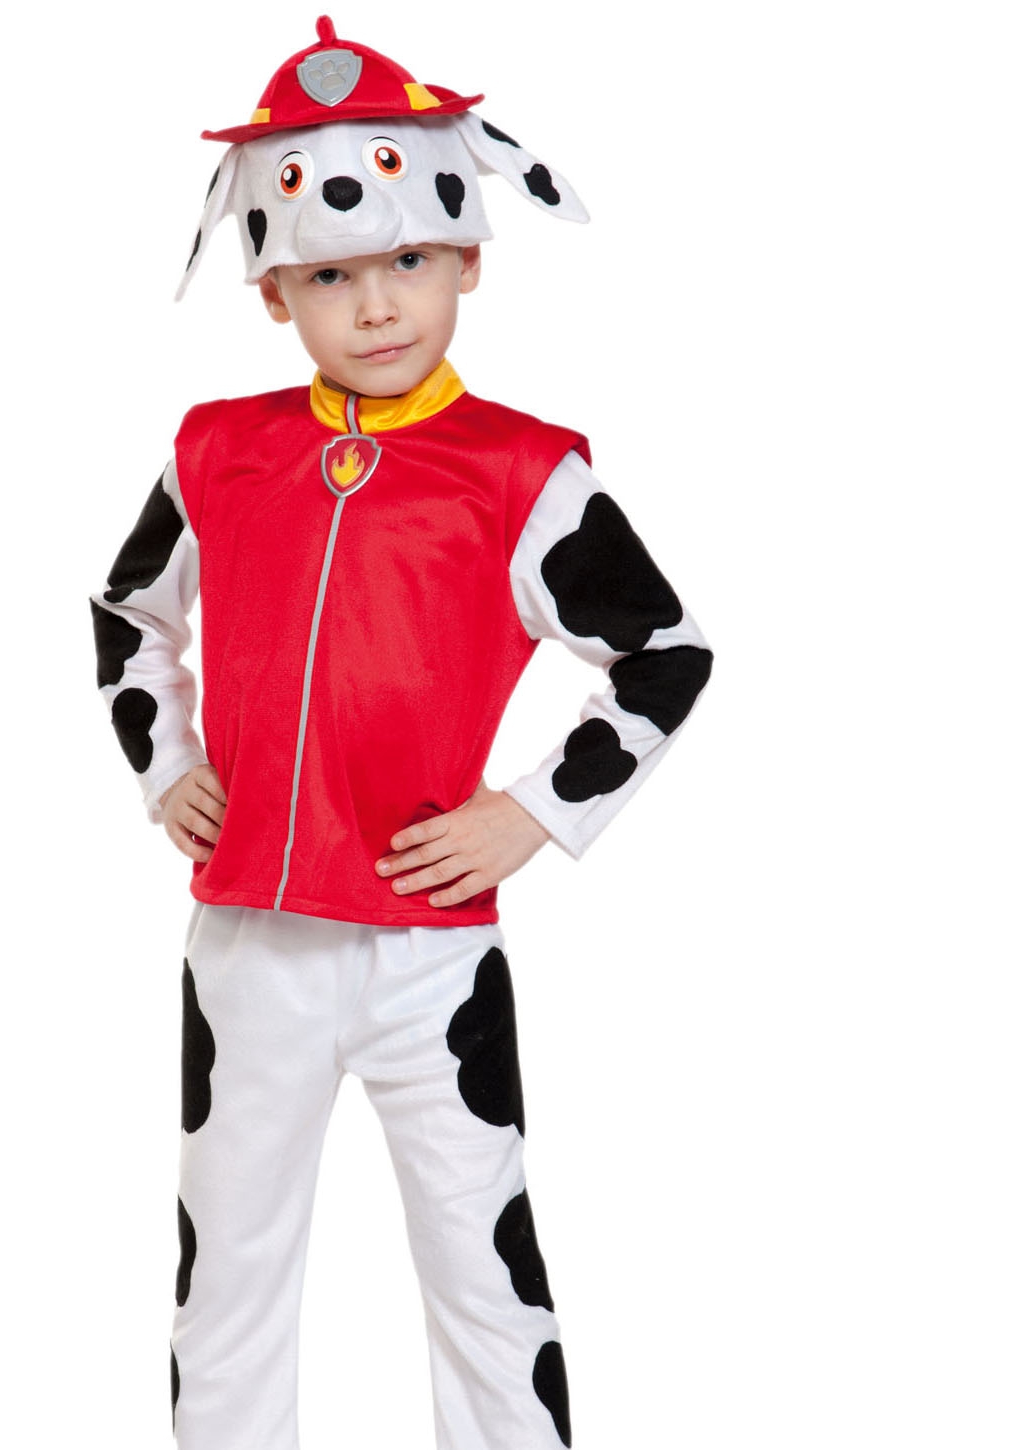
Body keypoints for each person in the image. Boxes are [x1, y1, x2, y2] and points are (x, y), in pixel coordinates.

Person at [90, 18, 712, 1450]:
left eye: (410, 262)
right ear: (273, 291)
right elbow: (127, 614)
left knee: (482, 1270)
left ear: (469, 258)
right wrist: (167, 768)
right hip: (247, 943)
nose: (376, 305)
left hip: (432, 946)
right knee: (225, 1277)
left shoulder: (522, 471)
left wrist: (533, 812)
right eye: (330, 275)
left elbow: (665, 653)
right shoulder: (216, 451)